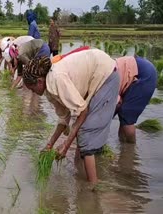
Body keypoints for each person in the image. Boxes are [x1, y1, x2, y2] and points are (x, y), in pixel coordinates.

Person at [22, 49, 120, 183]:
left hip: (105, 75)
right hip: (96, 77)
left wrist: (66, 146)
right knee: (81, 133)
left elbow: (82, 111)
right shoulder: (48, 89)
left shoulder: (57, 79)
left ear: (39, 81)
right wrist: (49, 145)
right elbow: (64, 118)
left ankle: (93, 186)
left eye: (32, 89)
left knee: (85, 132)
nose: (33, 92)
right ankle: (81, 174)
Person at [115, 56, 157, 143]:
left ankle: (131, 149)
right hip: (137, 69)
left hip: (144, 74)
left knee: (126, 114)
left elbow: (117, 102)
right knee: (123, 114)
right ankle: (122, 144)